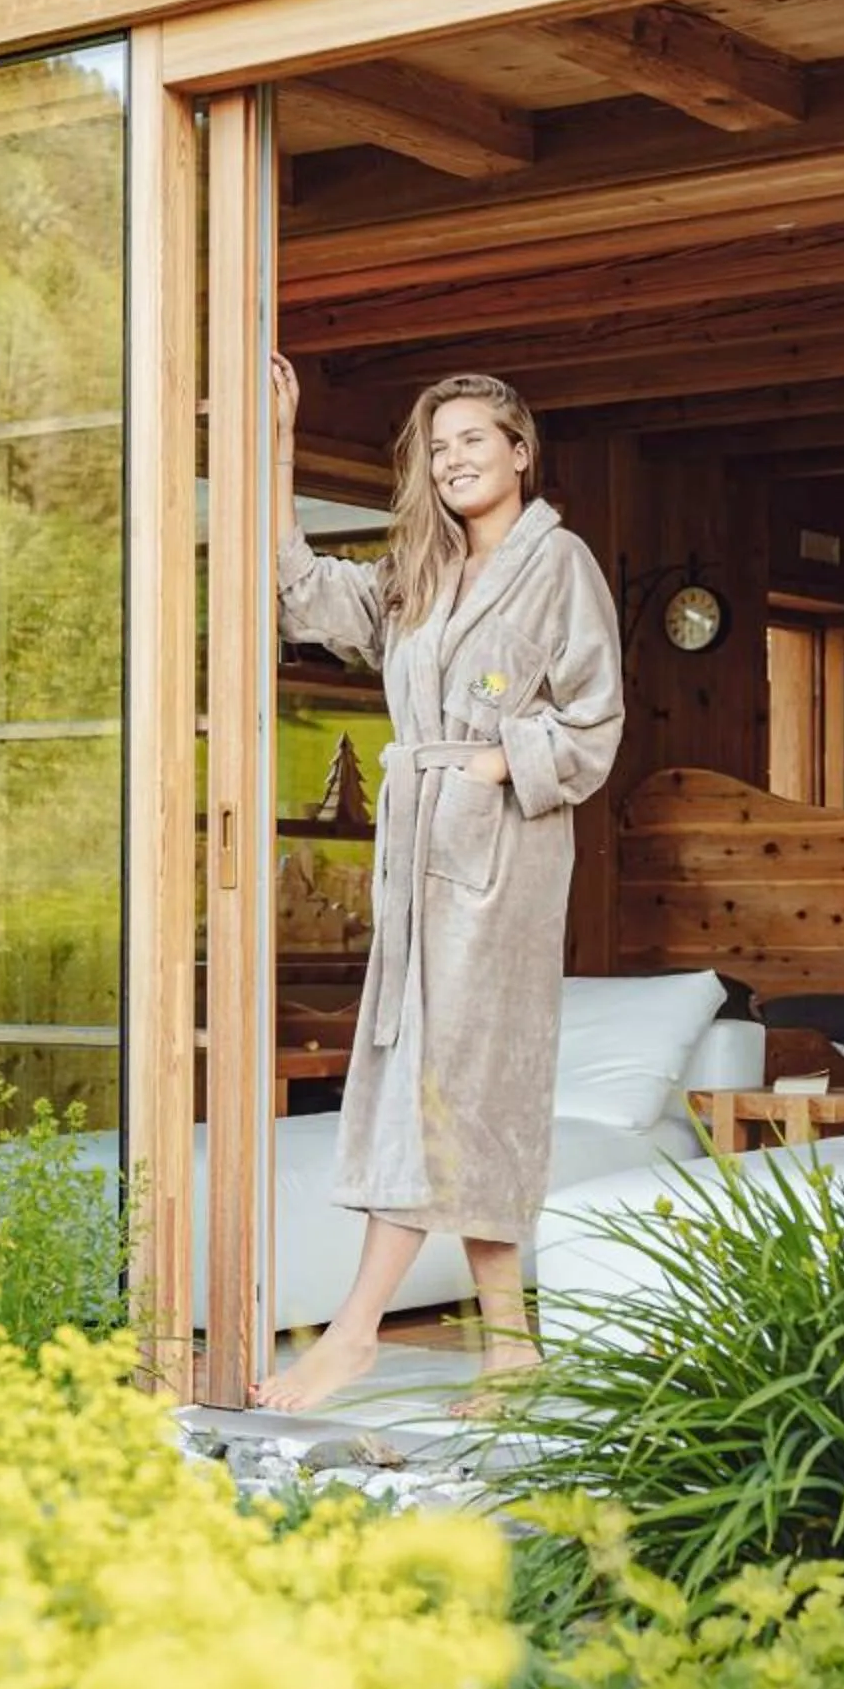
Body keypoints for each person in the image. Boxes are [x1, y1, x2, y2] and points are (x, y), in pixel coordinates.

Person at [258, 355, 624, 1413]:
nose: (454, 458)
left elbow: (593, 719)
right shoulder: (418, 571)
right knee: (467, 1089)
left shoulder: (560, 567)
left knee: (443, 1083)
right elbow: (299, 595)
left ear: (519, 452)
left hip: (502, 854)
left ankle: (352, 1336)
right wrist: (279, 448)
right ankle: (510, 1348)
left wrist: (497, 762)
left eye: (473, 439)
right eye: (437, 445)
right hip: (419, 854)